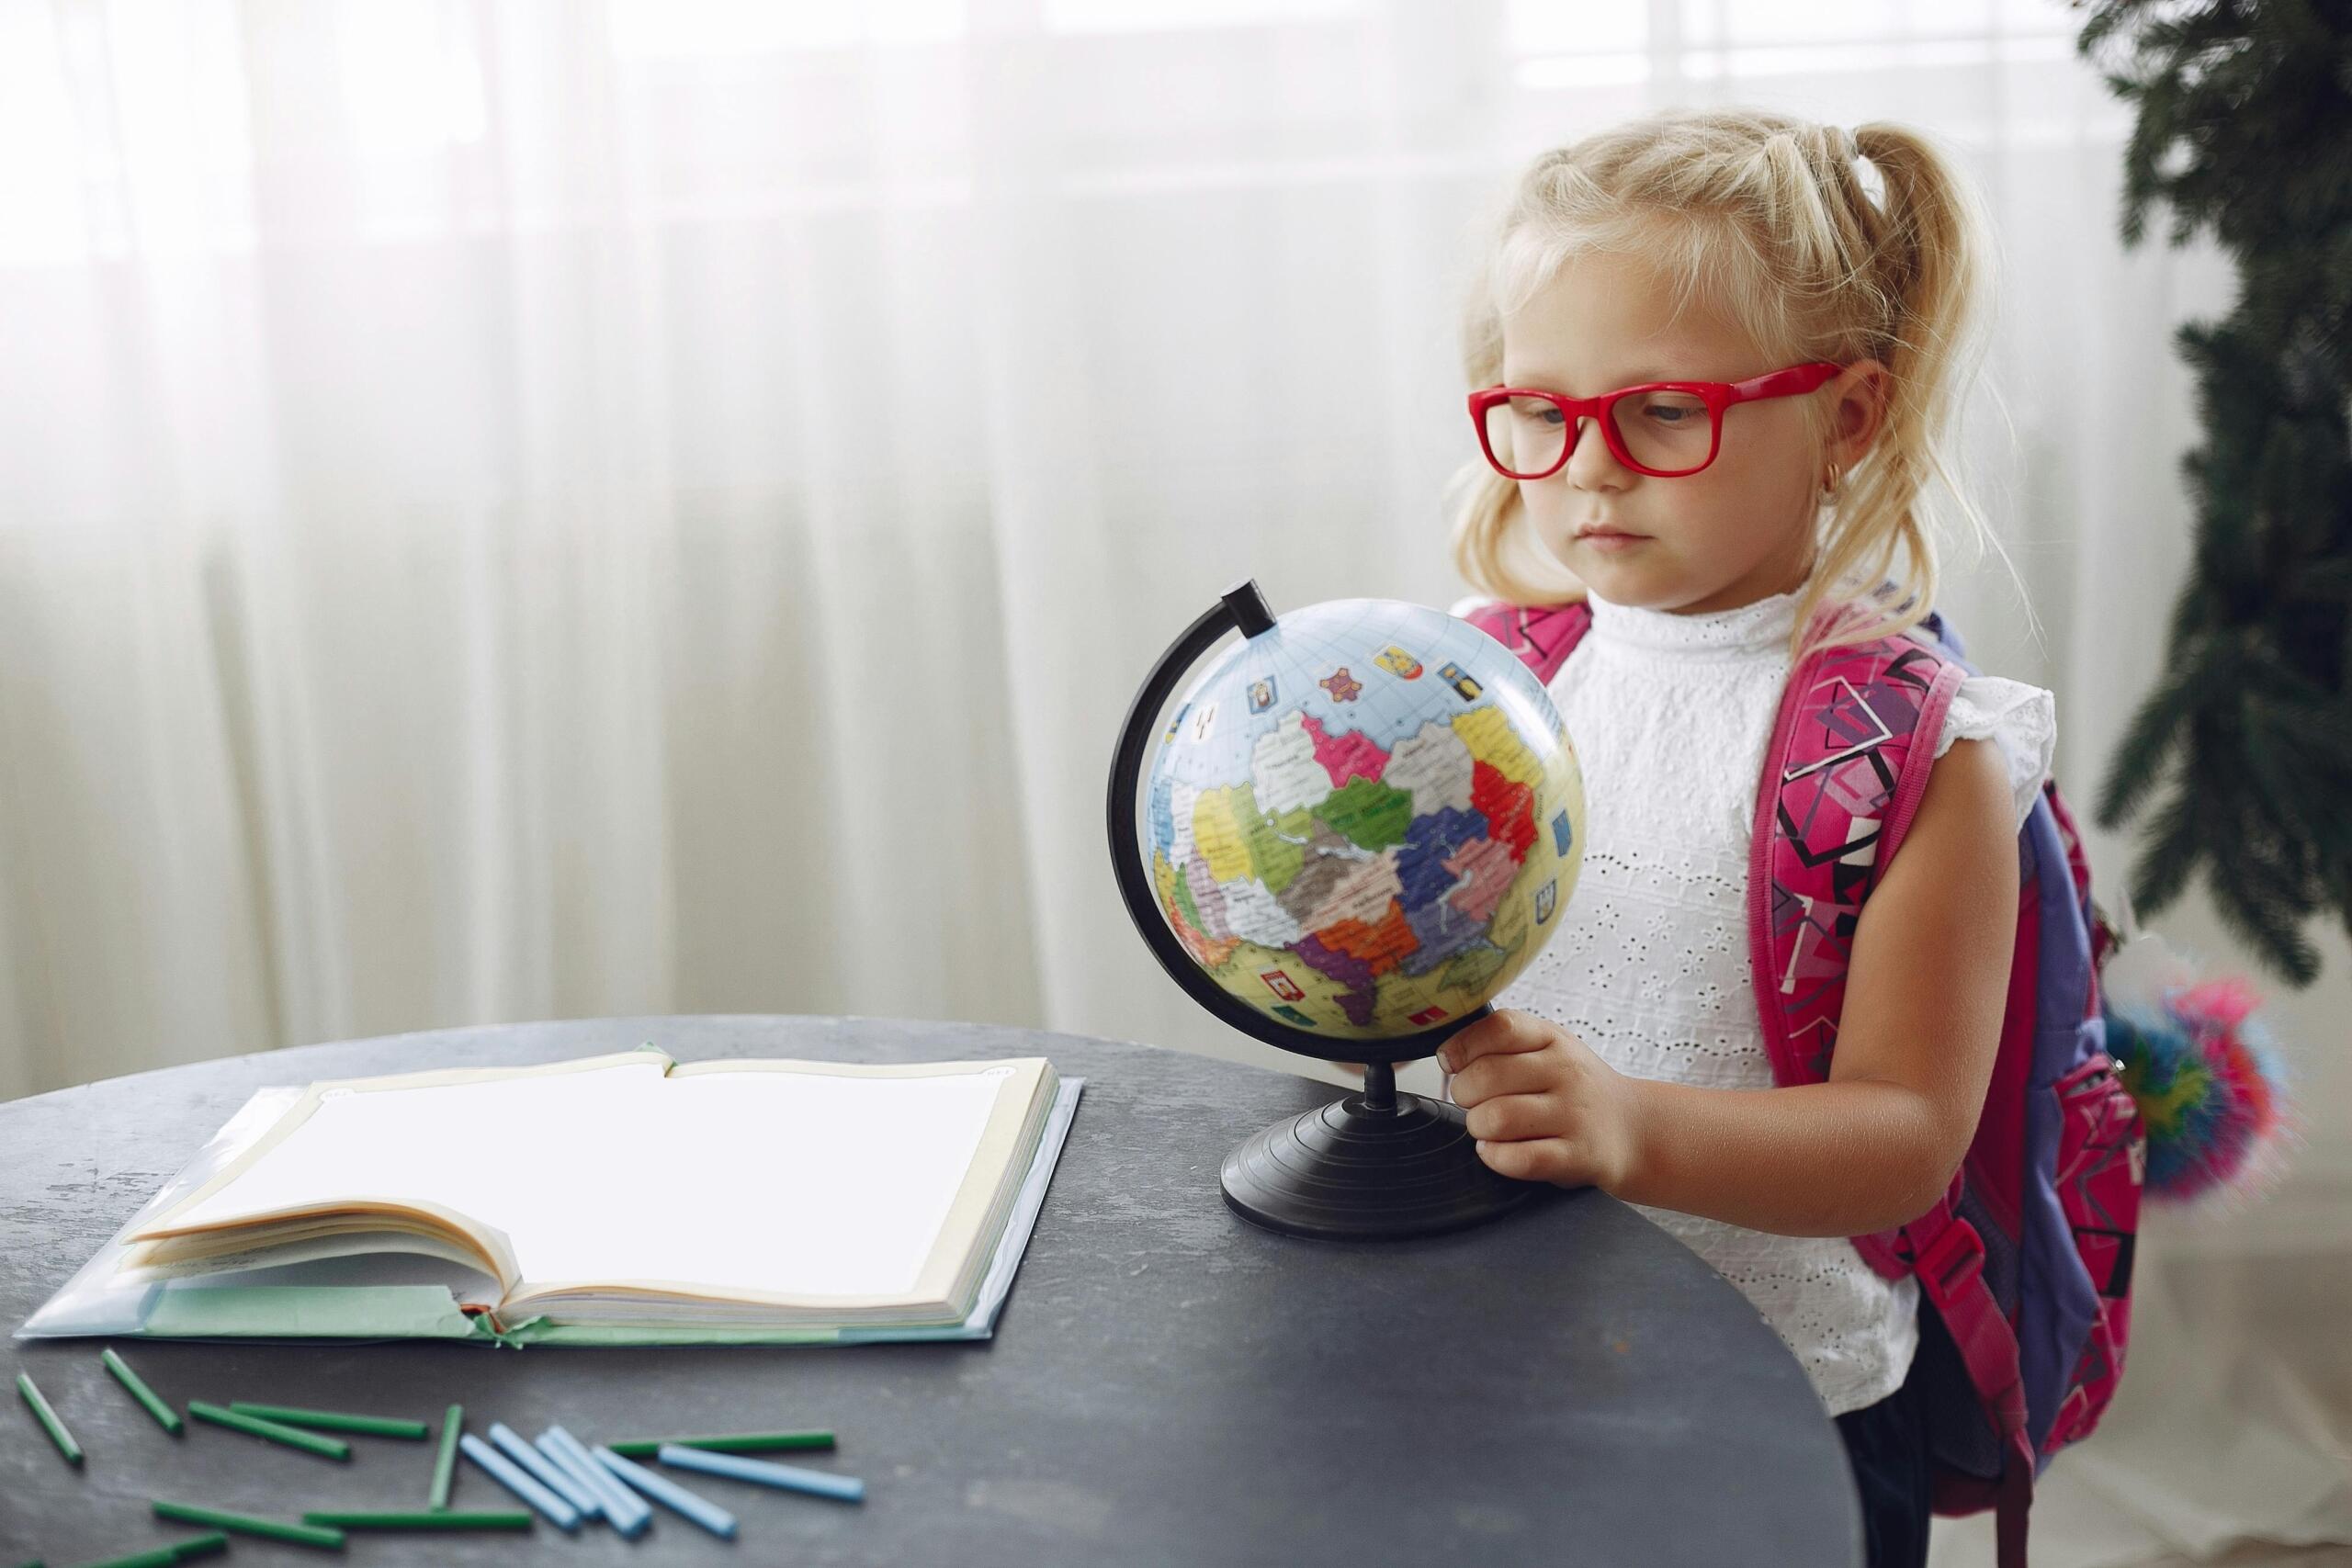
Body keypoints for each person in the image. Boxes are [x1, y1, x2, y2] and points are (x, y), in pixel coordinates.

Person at [1433, 107, 2054, 1568]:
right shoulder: (1484, 681)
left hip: (1786, 1407)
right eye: (1538, 408)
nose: (1588, 468)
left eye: (1663, 411)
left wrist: (1633, 1128)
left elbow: (1904, 1138)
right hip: (1502, 1370)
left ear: (1845, 417)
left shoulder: (1921, 755)